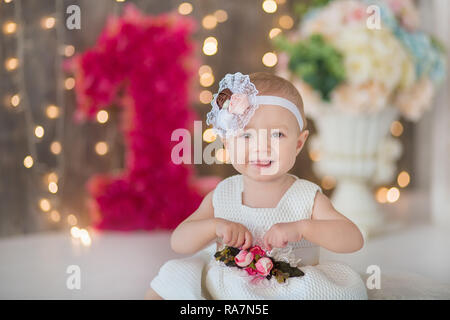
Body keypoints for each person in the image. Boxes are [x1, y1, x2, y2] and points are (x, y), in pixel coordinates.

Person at [146, 72, 368, 300]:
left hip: (292, 288)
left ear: (299, 143)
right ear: (226, 142)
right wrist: (214, 226)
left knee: (337, 292)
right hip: (228, 286)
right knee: (176, 275)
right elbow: (179, 242)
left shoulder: (306, 196)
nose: (261, 147)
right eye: (246, 136)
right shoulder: (223, 194)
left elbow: (353, 239)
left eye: (277, 134)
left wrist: (303, 228)